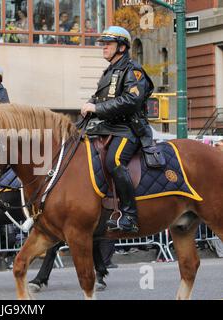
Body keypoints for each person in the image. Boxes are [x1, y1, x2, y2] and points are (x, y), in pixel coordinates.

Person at [80, 26, 154, 233]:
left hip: (128, 129)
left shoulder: (133, 70)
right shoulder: (110, 71)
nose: (103, 47)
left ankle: (129, 215)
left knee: (115, 161)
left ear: (122, 47)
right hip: (108, 127)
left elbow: (132, 100)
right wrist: (89, 106)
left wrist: (97, 108)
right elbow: (100, 98)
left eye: (108, 44)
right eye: (103, 43)